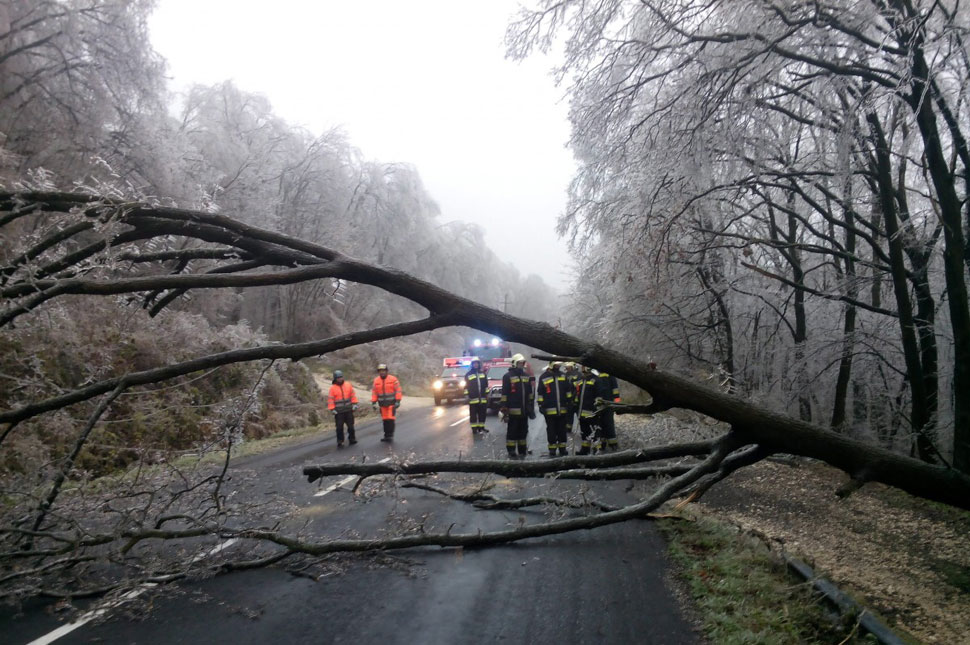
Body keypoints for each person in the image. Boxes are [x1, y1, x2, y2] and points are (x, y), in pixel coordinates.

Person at [499, 353, 535, 458]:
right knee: (512, 432)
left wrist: (531, 408)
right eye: (519, 363)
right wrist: (504, 408)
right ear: (514, 363)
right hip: (513, 411)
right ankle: (511, 451)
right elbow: (505, 394)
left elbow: (530, 393)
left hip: (524, 411)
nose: (521, 364)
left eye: (522, 363)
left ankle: (522, 450)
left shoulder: (526, 376)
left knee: (523, 431)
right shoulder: (507, 376)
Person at [537, 361, 574, 456]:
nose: (558, 366)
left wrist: (570, 402)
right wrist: (541, 405)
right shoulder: (544, 377)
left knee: (562, 430)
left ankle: (562, 448)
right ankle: (552, 449)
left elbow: (568, 390)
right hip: (549, 410)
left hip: (562, 409)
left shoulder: (563, 376)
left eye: (559, 364)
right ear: (551, 365)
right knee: (551, 430)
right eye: (556, 364)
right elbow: (540, 393)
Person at [575, 364, 610, 455]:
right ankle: (585, 449)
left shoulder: (596, 380)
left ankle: (596, 449)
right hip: (582, 412)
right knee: (584, 432)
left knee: (595, 431)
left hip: (592, 412)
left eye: (583, 366)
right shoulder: (581, 380)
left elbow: (599, 396)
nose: (581, 368)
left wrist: (596, 409)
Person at [371, 363, 402, 442]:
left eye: (383, 370)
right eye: (380, 371)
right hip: (382, 404)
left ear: (386, 371)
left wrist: (398, 401)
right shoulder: (376, 381)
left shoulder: (393, 379)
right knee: (385, 420)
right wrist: (374, 402)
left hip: (391, 404)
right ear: (378, 372)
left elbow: (398, 391)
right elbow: (374, 392)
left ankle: (390, 435)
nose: (382, 372)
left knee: (390, 419)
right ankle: (386, 435)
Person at [327, 370, 358, 447]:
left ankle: (352, 439)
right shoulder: (332, 388)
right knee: (339, 427)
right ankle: (340, 441)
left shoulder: (348, 385)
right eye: (338, 378)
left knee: (351, 426)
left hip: (348, 410)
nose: (340, 379)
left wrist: (355, 404)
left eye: (341, 377)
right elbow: (330, 400)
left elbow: (353, 395)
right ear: (335, 379)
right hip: (339, 412)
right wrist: (332, 409)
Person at [597, 369, 622, 451]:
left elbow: (615, 390)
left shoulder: (609, 376)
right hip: (602, 405)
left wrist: (616, 404)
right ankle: (604, 443)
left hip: (608, 405)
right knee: (602, 424)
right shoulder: (599, 376)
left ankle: (612, 443)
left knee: (607, 424)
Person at [464, 358, 489, 435]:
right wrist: (467, 395)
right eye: (474, 363)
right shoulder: (468, 374)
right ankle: (474, 429)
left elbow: (486, 385)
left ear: (479, 364)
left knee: (482, 414)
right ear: (472, 364)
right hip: (473, 399)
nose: (476, 365)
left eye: (477, 363)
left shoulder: (483, 374)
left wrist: (487, 394)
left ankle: (481, 427)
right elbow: (466, 387)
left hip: (482, 398)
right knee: (473, 415)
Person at [562, 361, 581, 436]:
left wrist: (573, 397)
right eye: (566, 367)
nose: (567, 368)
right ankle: (568, 429)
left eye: (568, 367)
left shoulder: (579, 375)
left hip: (577, 401)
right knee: (568, 417)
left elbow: (578, 388)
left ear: (573, 367)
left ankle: (584, 429)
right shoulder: (565, 375)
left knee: (580, 416)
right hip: (568, 401)